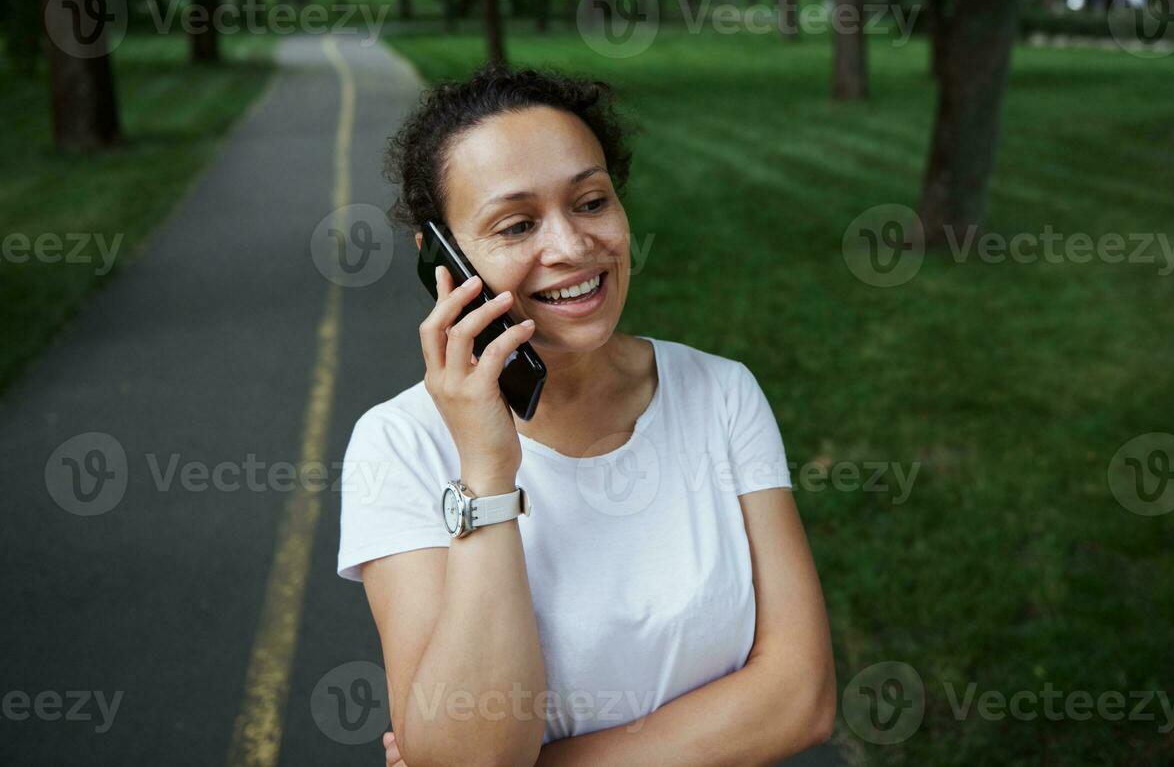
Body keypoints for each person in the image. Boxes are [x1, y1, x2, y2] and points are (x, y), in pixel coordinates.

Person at [337, 66, 835, 766]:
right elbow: (468, 754)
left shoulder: (721, 394)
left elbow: (801, 698)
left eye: (591, 201)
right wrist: (486, 473)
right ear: (441, 262)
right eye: (516, 224)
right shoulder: (398, 445)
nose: (572, 247)